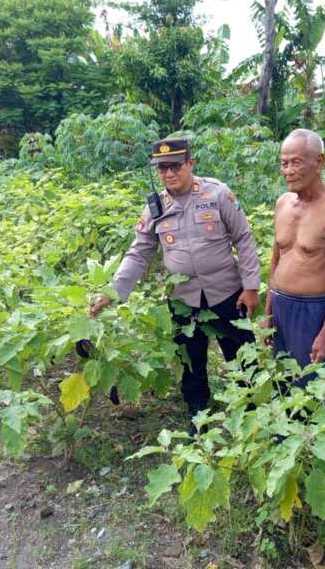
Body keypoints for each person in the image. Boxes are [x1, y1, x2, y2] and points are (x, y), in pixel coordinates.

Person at [89, 137, 260, 434]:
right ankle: (198, 416)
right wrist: (113, 293)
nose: (169, 174)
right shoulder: (156, 208)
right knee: (190, 360)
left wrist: (250, 287)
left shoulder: (217, 194)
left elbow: (243, 238)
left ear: (190, 164)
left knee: (241, 354)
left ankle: (252, 412)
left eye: (175, 166)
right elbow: (139, 251)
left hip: (227, 293)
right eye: (162, 168)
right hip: (184, 299)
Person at [262, 129, 325, 387]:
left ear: (319, 162)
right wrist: (268, 311)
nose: (288, 170)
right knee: (282, 381)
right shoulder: (283, 203)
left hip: (312, 310)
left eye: (296, 162)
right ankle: (283, 429)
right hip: (281, 306)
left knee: (311, 385)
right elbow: (276, 259)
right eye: (284, 163)